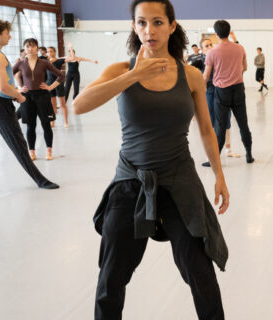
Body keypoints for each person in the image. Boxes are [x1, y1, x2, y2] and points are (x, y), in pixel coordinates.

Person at [71, 0, 230, 318]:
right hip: (131, 180)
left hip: (179, 180)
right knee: (111, 277)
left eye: (157, 22)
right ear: (134, 27)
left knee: (201, 272)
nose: (149, 30)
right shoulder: (120, 71)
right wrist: (133, 76)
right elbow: (79, 105)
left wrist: (219, 176)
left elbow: (207, 131)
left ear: (172, 26)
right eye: (141, 22)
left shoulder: (191, 75)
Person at [0, 19, 59, 194]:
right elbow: (3, 86)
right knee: (18, 142)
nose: (10, 36)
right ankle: (40, 180)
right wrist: (19, 96)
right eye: (7, 33)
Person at [204, 20, 254, 163]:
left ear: (216, 34)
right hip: (238, 90)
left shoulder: (212, 52)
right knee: (243, 124)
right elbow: (244, 67)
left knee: (220, 127)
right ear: (229, 31)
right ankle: (249, 155)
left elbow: (206, 76)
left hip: (221, 92)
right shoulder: (240, 48)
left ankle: (214, 160)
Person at [13, 38, 66, 161]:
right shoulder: (20, 63)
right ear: (24, 49)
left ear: (37, 48)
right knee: (31, 126)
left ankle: (49, 151)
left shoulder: (44, 62)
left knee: (46, 125)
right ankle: (32, 152)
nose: (30, 49)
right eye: (27, 46)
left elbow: (61, 75)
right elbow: (7, 75)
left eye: (32, 46)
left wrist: (50, 87)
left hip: (42, 96)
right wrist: (18, 89)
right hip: (27, 98)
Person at [200, 38, 241, 164]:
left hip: (223, 92)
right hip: (210, 93)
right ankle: (212, 154)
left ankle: (228, 150)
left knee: (226, 121)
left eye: (211, 44)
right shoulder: (200, 60)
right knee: (212, 123)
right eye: (206, 46)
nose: (209, 46)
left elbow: (235, 51)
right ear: (202, 49)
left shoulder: (219, 56)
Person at [46, 46, 69, 128]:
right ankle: (52, 121)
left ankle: (66, 122)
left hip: (58, 84)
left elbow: (71, 57)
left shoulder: (59, 61)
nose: (49, 53)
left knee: (62, 104)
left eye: (51, 51)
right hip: (49, 84)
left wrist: (70, 48)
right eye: (48, 52)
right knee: (52, 105)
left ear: (55, 52)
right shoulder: (46, 62)